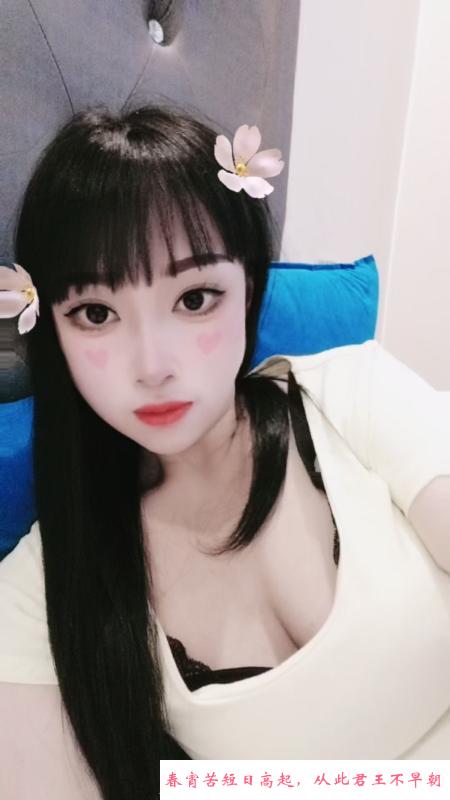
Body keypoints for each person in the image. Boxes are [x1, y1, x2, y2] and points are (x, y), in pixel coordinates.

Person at [0, 105, 449, 800]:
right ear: (52, 330)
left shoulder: (354, 394)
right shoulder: (42, 591)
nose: (153, 365)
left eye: (195, 298)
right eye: (96, 313)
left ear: (247, 292)